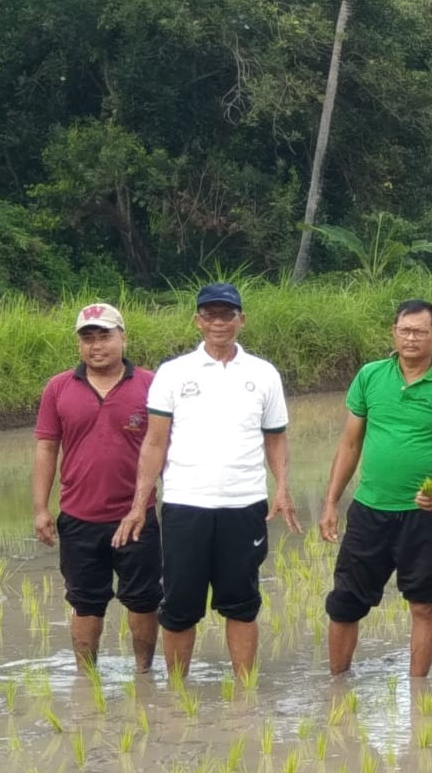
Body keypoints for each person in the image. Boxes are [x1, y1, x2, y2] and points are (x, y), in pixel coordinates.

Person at [112, 283, 301, 677]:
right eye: (210, 314)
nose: (219, 322)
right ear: (197, 320)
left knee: (242, 602)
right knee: (180, 606)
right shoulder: (173, 373)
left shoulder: (263, 374)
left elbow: (276, 438)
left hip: (244, 506)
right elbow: (155, 442)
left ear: (241, 320)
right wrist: (137, 505)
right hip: (185, 506)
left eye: (227, 314)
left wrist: (281, 487)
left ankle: (244, 691)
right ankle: (177, 692)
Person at [319, 300, 432, 678]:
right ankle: (337, 685)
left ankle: (417, 691)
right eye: (404, 330)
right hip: (369, 510)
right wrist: (330, 503)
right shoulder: (370, 376)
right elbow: (350, 445)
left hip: (425, 515)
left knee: (423, 604)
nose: (410, 338)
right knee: (345, 603)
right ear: (394, 332)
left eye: (420, 332)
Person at [32, 304, 161, 670]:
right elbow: (46, 448)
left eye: (105, 335)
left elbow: (166, 444)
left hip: (137, 516)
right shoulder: (58, 388)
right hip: (78, 517)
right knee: (85, 602)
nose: (96, 345)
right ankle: (86, 682)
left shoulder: (151, 385)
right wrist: (41, 508)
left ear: (123, 337)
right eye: (88, 338)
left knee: (144, 600)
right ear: (79, 345)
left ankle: (143, 674)